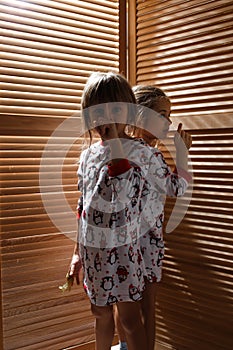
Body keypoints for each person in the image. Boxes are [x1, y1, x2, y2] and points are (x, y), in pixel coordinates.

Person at [67, 72, 150, 350]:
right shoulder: (88, 155)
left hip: (125, 251)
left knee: (129, 319)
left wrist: (116, 144)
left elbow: (128, 196)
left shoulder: (139, 151)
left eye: (113, 109)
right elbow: (84, 206)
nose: (104, 118)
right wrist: (77, 252)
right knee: (100, 314)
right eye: (96, 111)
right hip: (94, 252)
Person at [116, 85, 192, 350]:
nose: (168, 121)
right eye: (162, 114)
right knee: (147, 306)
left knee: (123, 302)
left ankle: (124, 346)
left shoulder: (120, 148)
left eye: (169, 115)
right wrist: (182, 152)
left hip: (120, 242)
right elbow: (177, 187)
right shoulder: (149, 154)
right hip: (146, 243)